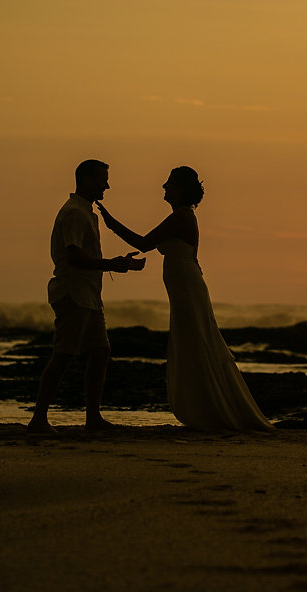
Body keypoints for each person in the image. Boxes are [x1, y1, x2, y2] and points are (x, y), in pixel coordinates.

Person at [97, 166, 273, 431]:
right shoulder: (181, 216)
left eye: (169, 182)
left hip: (188, 289)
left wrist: (111, 223)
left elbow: (144, 243)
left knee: (198, 342)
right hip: (184, 288)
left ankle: (212, 409)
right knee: (193, 342)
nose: (164, 186)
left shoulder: (181, 216)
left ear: (179, 188)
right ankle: (204, 406)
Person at [27, 159, 144, 436]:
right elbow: (75, 256)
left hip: (88, 295)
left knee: (100, 352)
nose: (107, 185)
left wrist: (115, 264)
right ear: (87, 180)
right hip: (73, 293)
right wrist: (111, 264)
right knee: (63, 354)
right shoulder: (75, 213)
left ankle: (93, 417)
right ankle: (38, 419)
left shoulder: (86, 212)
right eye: (103, 179)